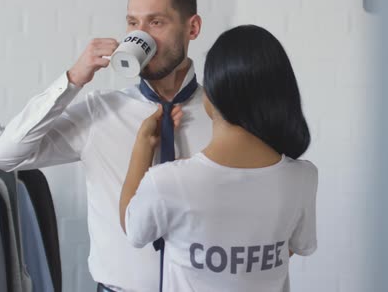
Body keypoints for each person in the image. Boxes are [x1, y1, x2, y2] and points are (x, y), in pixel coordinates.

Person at [0, 0, 211, 292]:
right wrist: (73, 79)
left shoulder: (222, 115)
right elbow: (5, 156)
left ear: (192, 28)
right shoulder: (100, 113)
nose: (141, 34)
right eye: (133, 23)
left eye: (156, 23)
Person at [120, 25, 318, 292]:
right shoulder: (302, 177)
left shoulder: (168, 180)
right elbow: (291, 247)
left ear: (209, 97)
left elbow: (133, 230)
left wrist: (142, 148)